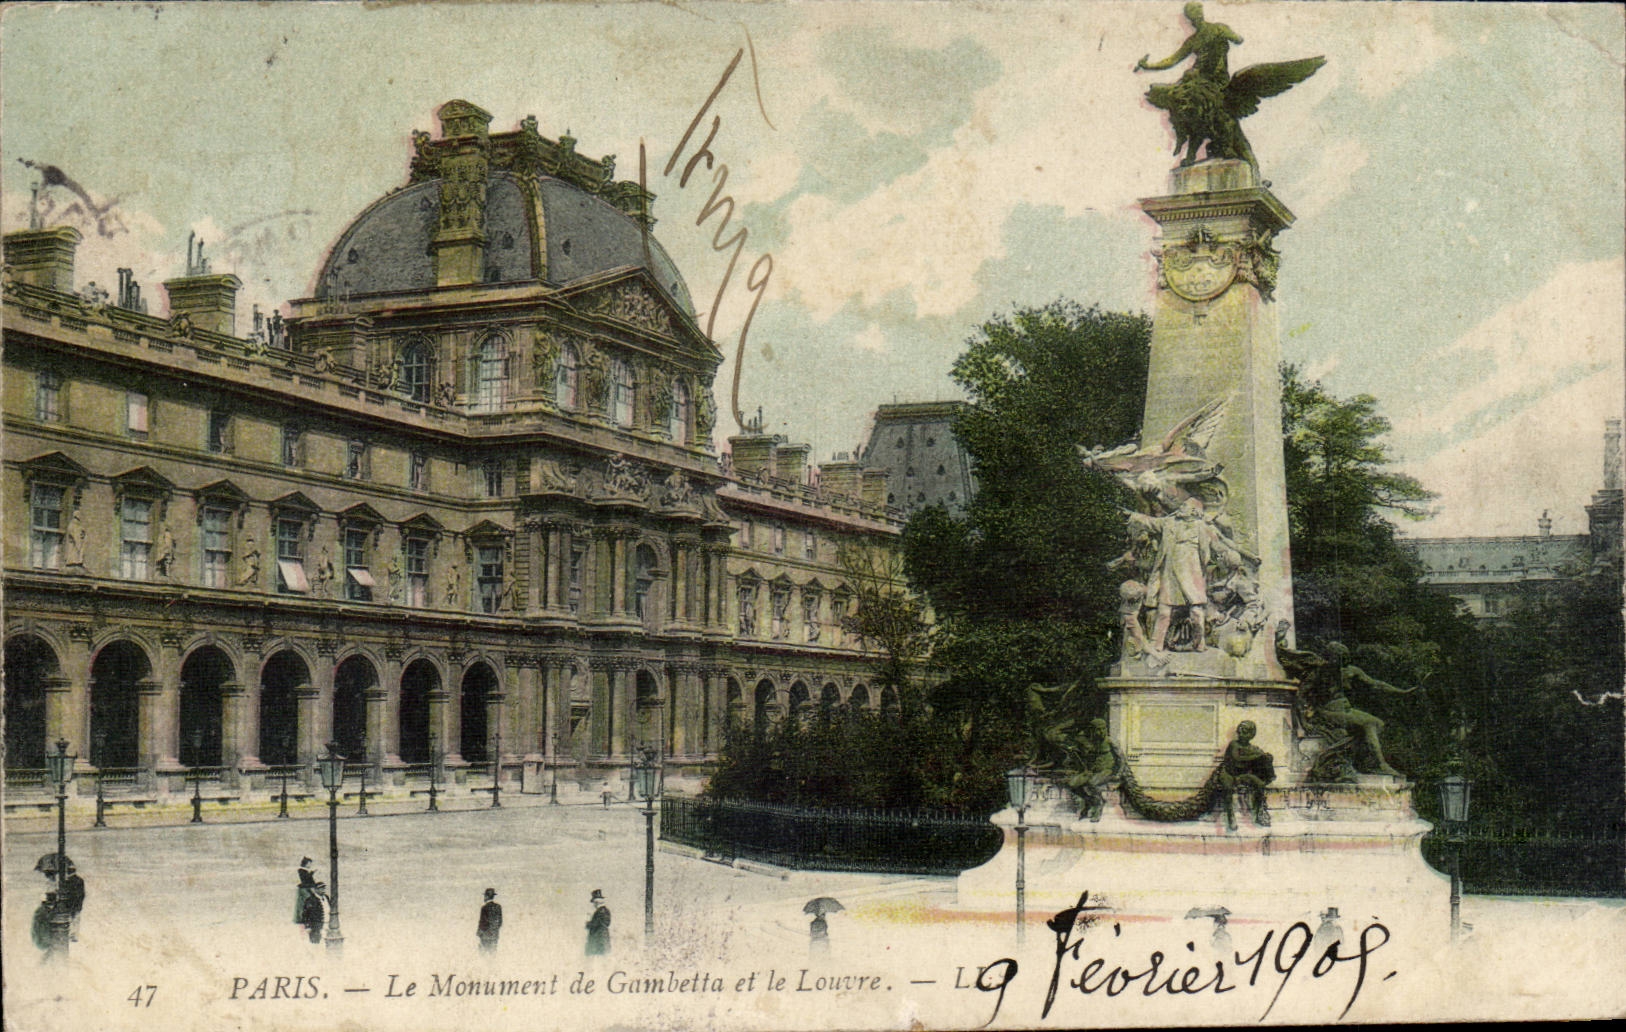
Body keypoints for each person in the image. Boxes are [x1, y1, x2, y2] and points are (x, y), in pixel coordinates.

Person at [1217, 720, 1275, 831]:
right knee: (1227, 788)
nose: (1241, 734)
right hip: (1229, 773)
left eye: (1245, 732)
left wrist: (1265, 757)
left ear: (1251, 734)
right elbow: (1237, 758)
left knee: (1260, 784)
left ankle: (1260, 812)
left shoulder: (1252, 748)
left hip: (1243, 774)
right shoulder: (1234, 744)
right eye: (1240, 731)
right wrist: (1256, 755)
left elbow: (1261, 758)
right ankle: (1230, 816)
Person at [60, 863, 85, 941]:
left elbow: (67, 893)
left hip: (70, 904)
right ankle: (74, 935)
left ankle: (70, 934)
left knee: (70, 919)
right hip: (77, 904)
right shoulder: (80, 880)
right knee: (76, 920)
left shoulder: (67, 881)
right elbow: (82, 894)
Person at [585, 889, 611, 956]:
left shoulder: (600, 911)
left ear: (597, 902)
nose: (593, 905)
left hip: (599, 940)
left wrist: (588, 924)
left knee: (598, 958)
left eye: (594, 902)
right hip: (602, 940)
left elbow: (596, 924)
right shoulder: (605, 911)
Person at [294, 857, 317, 929]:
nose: (310, 865)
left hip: (308, 889)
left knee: (308, 904)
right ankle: (305, 919)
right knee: (307, 904)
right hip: (306, 890)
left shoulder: (304, 871)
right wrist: (312, 873)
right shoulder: (302, 871)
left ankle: (307, 919)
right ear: (306, 864)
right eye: (309, 863)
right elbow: (306, 880)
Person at [477, 888, 503, 953]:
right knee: (493, 953)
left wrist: (479, 933)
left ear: (487, 896)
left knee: (483, 954)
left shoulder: (484, 908)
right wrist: (494, 930)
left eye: (485, 896)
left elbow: (483, 922)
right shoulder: (498, 907)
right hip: (494, 935)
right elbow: (500, 922)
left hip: (485, 935)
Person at [32, 891, 57, 955]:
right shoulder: (43, 912)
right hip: (43, 940)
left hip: (41, 939)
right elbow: (40, 928)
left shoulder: (41, 910)